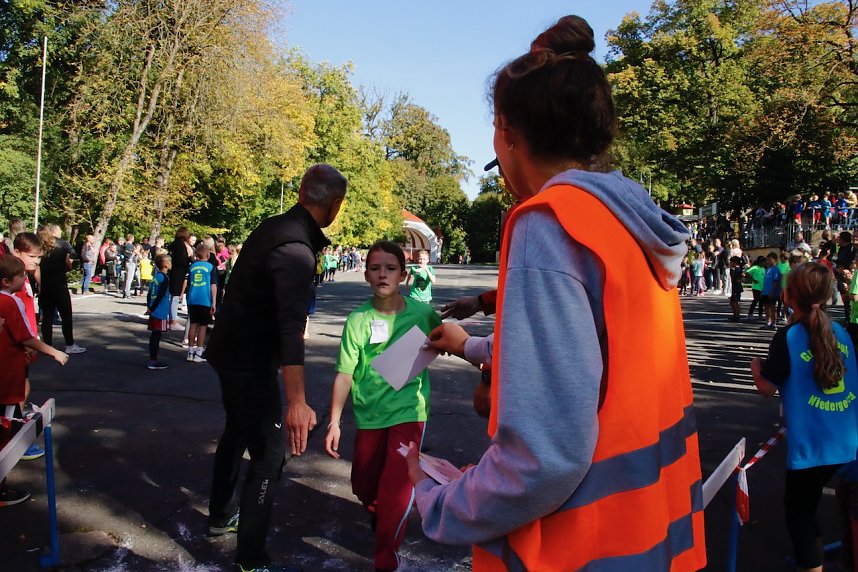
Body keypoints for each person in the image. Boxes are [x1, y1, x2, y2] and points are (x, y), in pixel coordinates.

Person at [404, 15, 705, 571]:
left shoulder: (547, 223)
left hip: (576, 546)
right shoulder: (626, 223)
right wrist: (472, 346)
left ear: (509, 134)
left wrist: (437, 500)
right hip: (652, 536)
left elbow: (542, 459)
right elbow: (594, 357)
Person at [204, 164, 346, 572]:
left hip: (231, 352)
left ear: (301, 192)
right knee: (269, 455)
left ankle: (219, 514)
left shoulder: (275, 227)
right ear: (334, 205)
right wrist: (297, 402)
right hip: (246, 361)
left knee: (237, 429)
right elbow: (290, 329)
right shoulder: (297, 251)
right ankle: (251, 558)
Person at [324, 241, 441, 571]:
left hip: (409, 411)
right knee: (363, 483)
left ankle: (385, 557)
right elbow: (344, 374)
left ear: (403, 275)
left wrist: (482, 365)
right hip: (369, 415)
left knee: (397, 487)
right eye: (375, 268)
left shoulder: (421, 313)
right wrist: (334, 422)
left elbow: (446, 339)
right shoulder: (358, 320)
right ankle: (378, 509)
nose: (382, 274)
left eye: (390, 268)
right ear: (366, 275)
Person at [750, 262, 858, 572]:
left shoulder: (789, 337)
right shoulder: (841, 331)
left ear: (788, 296)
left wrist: (756, 366)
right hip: (847, 437)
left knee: (800, 516)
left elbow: (767, 388)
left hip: (814, 445)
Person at [0, 255, 68, 506]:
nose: (25, 278)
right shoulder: (10, 302)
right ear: (7, 281)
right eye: (21, 276)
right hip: (6, 377)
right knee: (5, 432)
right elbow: (26, 337)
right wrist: (53, 351)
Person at [38, 226, 86, 354]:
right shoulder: (60, 250)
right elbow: (69, 266)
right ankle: (69, 344)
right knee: (66, 315)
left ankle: (47, 344)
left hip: (45, 285)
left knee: (47, 316)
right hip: (59, 284)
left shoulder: (38, 252)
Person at [183, 242, 216, 363]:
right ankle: (199, 352)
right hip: (205, 299)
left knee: (193, 324)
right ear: (208, 254)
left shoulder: (192, 266)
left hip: (192, 298)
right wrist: (214, 302)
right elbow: (213, 285)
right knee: (203, 326)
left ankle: (190, 351)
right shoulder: (211, 267)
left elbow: (188, 281)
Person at [145, 254, 172, 370]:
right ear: (166, 264)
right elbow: (160, 295)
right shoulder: (164, 278)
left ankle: (153, 359)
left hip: (154, 309)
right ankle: (153, 360)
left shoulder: (156, 277)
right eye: (170, 262)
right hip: (159, 310)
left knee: (155, 335)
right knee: (156, 335)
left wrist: (149, 306)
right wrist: (153, 307)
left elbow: (149, 293)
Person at [168, 227, 192, 330]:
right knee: (175, 296)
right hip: (179, 272)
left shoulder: (173, 244)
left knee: (172, 296)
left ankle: (170, 318)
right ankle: (173, 320)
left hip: (172, 272)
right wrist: (189, 260)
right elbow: (181, 260)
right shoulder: (181, 246)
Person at [761, 251, 782, 330]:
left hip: (771, 292)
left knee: (772, 307)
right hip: (765, 291)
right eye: (768, 259)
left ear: (775, 260)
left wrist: (772, 291)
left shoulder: (776, 269)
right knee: (766, 307)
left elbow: (775, 281)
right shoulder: (768, 269)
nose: (768, 261)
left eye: (770, 259)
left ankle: (774, 323)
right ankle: (768, 322)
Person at [728, 256, 745, 322]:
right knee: (732, 302)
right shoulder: (734, 269)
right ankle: (734, 314)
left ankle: (737, 315)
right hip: (734, 287)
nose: (730, 263)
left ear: (734, 262)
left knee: (736, 302)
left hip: (737, 287)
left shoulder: (737, 270)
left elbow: (736, 277)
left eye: (731, 262)